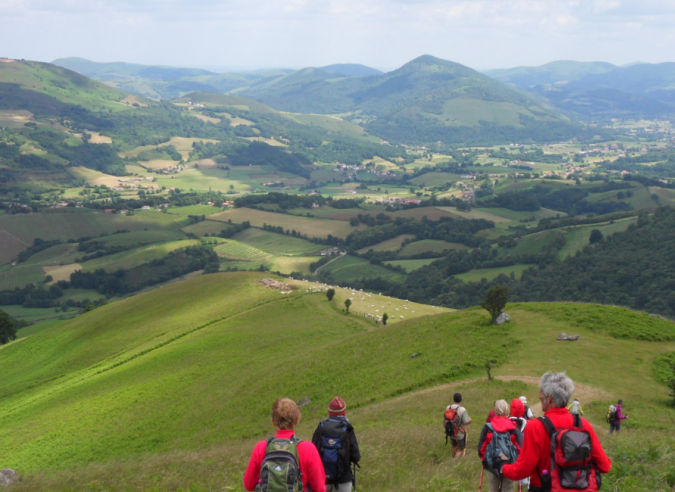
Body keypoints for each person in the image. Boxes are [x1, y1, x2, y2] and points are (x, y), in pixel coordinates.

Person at [502, 372, 612, 492]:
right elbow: (605, 466)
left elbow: (522, 470)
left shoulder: (535, 427)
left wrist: (504, 467)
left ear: (549, 398)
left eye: (540, 393)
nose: (539, 397)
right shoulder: (583, 425)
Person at [244, 398, 326, 492]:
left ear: (273, 421)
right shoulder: (308, 448)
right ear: (296, 420)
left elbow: (248, 485)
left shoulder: (261, 447)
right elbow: (319, 488)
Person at [312, 397, 361, 492]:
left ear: (329, 412)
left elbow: (313, 451)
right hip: (343, 477)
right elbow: (356, 456)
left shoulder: (321, 427)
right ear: (344, 411)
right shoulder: (347, 427)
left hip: (323, 477)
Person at [478, 400, 522, 492]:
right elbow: (520, 449)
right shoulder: (513, 427)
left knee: (493, 488)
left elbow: (481, 449)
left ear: (495, 410)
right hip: (509, 464)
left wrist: (486, 460)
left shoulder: (488, 427)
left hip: (493, 464)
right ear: (508, 411)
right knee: (508, 488)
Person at [509, 399, 530, 490]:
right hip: (523, 455)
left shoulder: (506, 422)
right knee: (523, 480)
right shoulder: (528, 424)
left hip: (508, 455)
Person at [446, 392, 472, 458]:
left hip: (450, 430)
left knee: (454, 446)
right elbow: (466, 422)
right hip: (460, 432)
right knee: (460, 449)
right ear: (461, 399)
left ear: (453, 399)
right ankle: (454, 460)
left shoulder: (448, 407)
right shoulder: (462, 409)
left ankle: (453, 459)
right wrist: (470, 420)